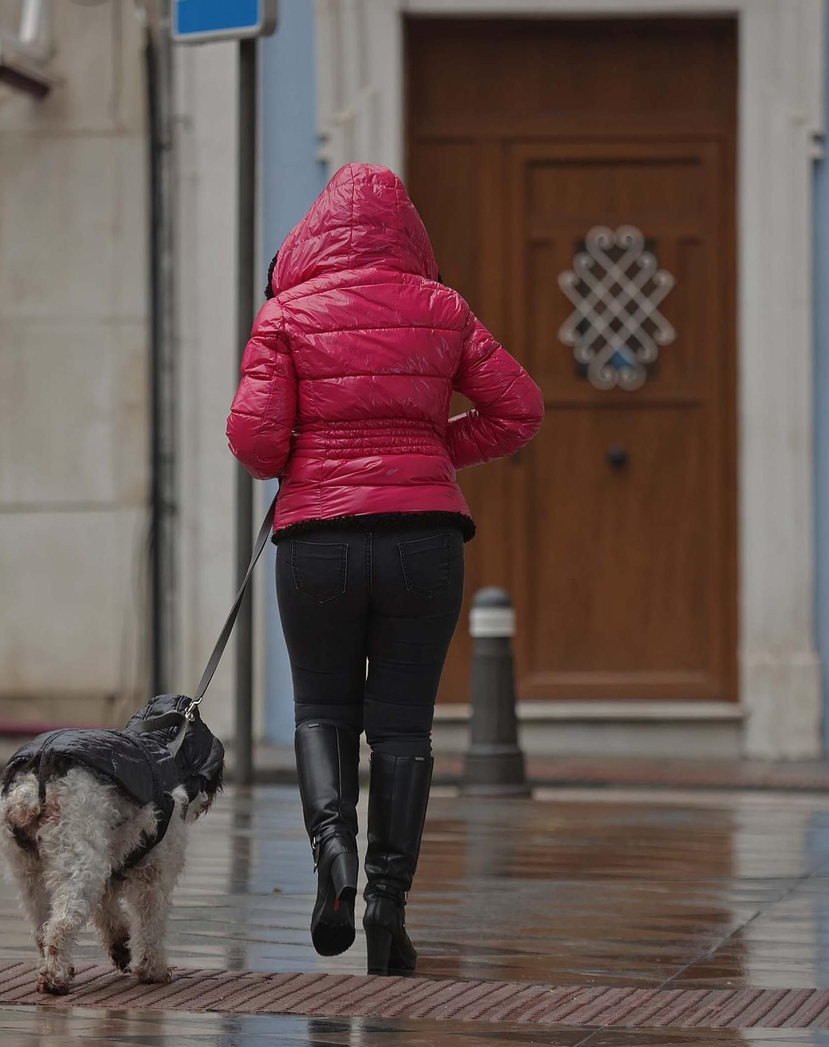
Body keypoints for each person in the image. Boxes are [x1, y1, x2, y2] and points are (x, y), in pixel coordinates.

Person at [226, 162, 543, 976]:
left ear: (314, 232)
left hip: (317, 542)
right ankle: (386, 911)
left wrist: (312, 456)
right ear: (408, 232)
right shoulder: (443, 309)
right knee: (404, 727)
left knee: (321, 709)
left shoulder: (286, 314)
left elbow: (255, 442)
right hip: (423, 541)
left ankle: (333, 850)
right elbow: (519, 408)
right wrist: (436, 451)